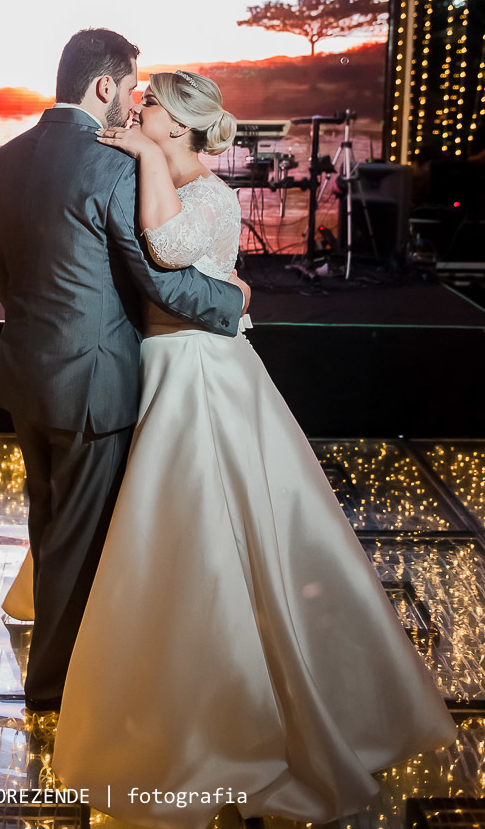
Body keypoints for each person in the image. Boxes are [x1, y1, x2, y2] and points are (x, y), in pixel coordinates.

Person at [51, 69, 456, 825]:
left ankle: (250, 720)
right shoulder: (156, 164)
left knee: (221, 530)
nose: (138, 115)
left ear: (180, 126)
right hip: (164, 365)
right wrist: (228, 287)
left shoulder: (210, 191)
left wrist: (140, 161)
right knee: (178, 537)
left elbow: (169, 253)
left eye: (151, 111)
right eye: (140, 108)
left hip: (203, 374)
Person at [0, 31, 249, 714]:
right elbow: (161, 283)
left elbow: (3, 278)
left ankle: (57, 667)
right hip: (94, 387)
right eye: (131, 88)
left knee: (49, 527)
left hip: (25, 377)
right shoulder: (113, 166)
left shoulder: (2, 160)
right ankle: (57, 693)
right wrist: (233, 299)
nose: (132, 104)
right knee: (79, 542)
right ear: (105, 87)